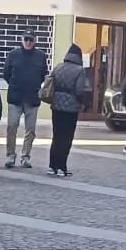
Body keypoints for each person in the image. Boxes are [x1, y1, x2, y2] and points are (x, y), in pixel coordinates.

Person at [3, 28, 47, 169]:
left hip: (32, 98)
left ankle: (25, 156)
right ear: (22, 40)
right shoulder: (13, 55)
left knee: (31, 130)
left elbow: (43, 75)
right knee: (11, 127)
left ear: (35, 41)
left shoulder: (41, 56)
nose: (28, 42)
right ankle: (10, 155)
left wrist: (34, 87)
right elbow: (6, 74)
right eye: (26, 39)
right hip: (15, 97)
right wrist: (15, 85)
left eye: (31, 39)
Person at [47, 43, 87, 177]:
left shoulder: (58, 67)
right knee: (66, 138)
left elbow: (50, 83)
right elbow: (80, 90)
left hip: (56, 106)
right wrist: (82, 104)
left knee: (56, 136)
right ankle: (62, 167)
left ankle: (52, 166)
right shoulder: (80, 70)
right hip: (71, 109)